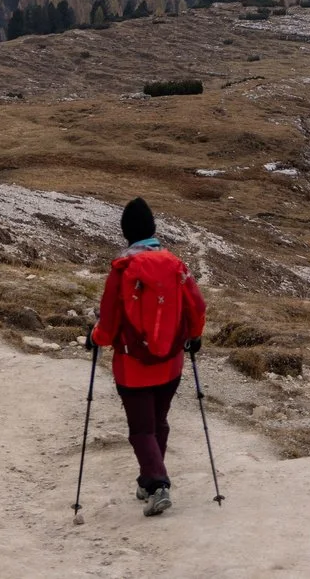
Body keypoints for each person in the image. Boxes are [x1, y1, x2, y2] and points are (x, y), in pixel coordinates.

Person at [89, 196, 207, 515]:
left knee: (141, 429)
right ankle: (148, 479)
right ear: (153, 229)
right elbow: (197, 306)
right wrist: (194, 337)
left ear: (126, 233)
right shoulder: (175, 265)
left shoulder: (122, 269)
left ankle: (157, 485)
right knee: (157, 423)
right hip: (171, 363)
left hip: (132, 366)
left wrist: (95, 337)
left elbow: (109, 322)